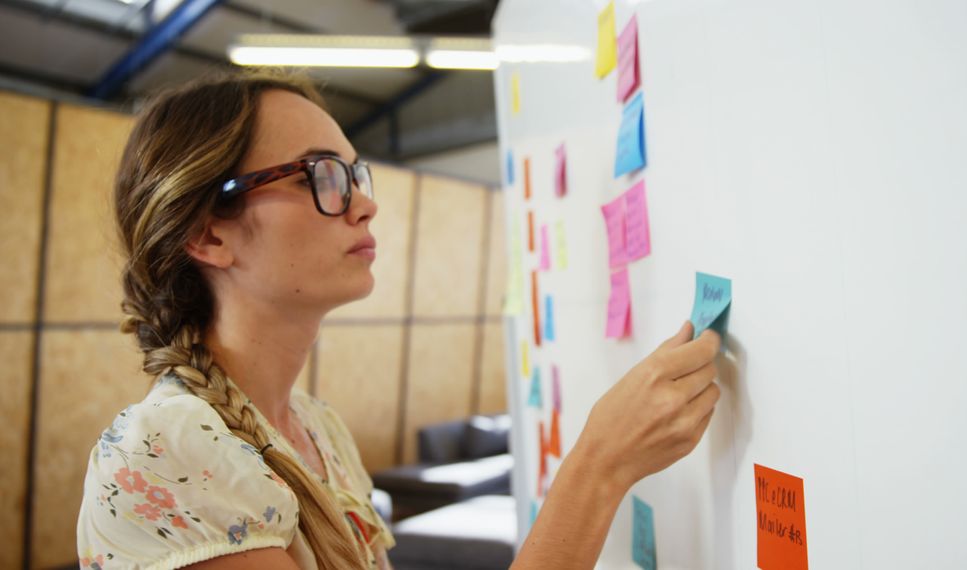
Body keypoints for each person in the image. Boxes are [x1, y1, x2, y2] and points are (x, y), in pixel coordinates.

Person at [76, 69, 722, 570]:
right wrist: (599, 463)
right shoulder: (165, 453)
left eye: (357, 174)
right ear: (207, 235)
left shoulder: (314, 428)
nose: (363, 205)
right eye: (322, 176)